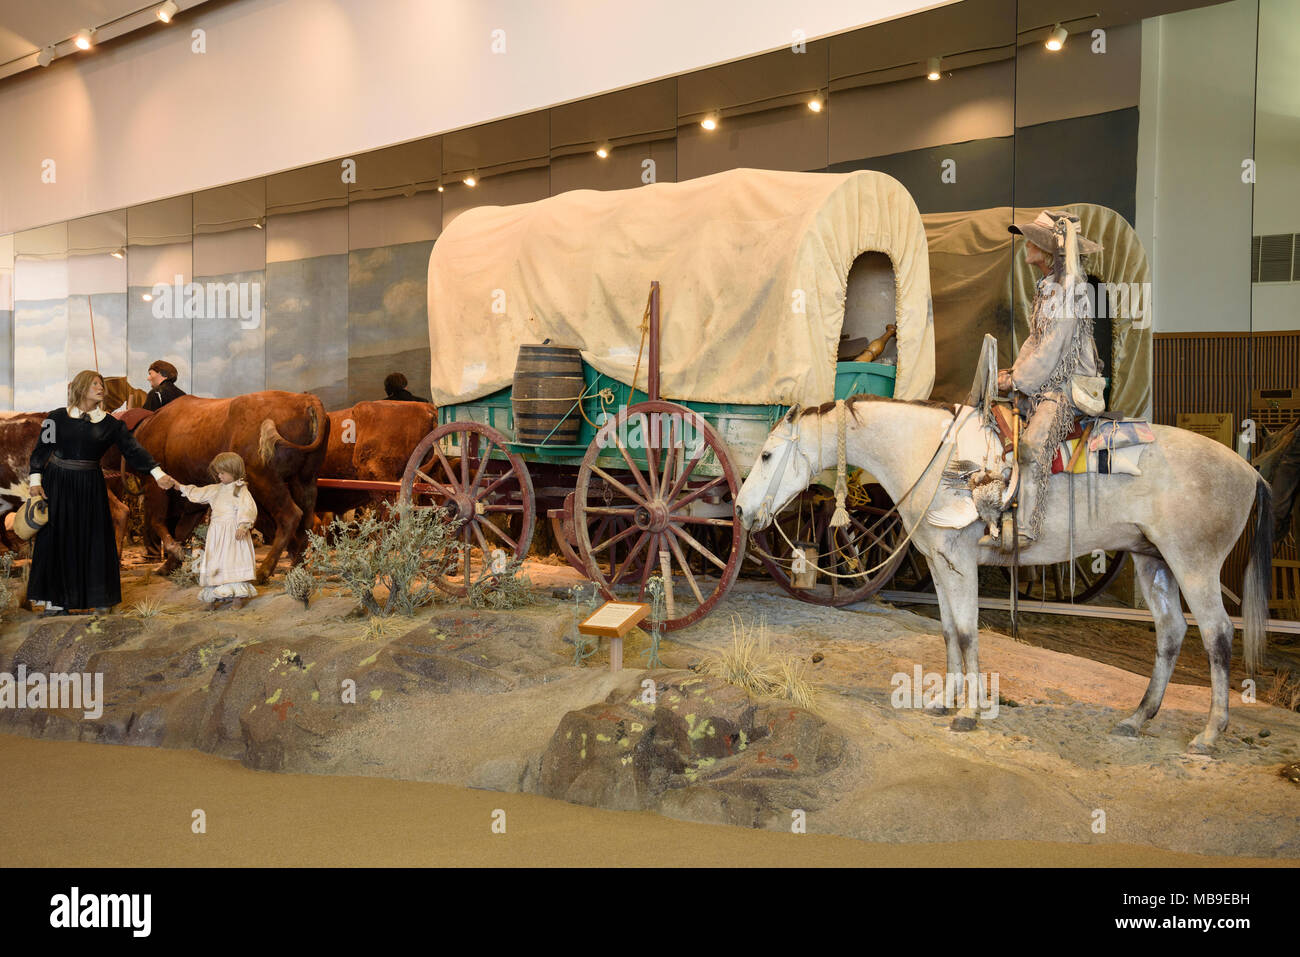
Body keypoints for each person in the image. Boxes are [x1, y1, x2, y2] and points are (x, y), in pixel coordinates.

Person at [989, 210, 1106, 550]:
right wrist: (1013, 373)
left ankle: (1026, 528)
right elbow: (1035, 341)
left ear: (1047, 250)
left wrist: (1018, 380)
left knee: (1031, 447)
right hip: (1047, 382)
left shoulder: (1069, 291)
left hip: (1066, 387)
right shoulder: (1048, 288)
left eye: (1033, 241)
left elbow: (1053, 347)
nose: (1027, 245)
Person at [28, 370, 178, 615]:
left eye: (101, 384)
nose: (101, 388)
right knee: (57, 538)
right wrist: (36, 479)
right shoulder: (55, 418)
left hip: (91, 485)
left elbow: (134, 451)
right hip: (58, 483)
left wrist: (158, 474)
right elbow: (41, 450)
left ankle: (99, 598)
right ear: (81, 387)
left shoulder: (111, 424)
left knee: (95, 538)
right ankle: (55, 602)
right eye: (95, 384)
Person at [176, 452, 258, 610]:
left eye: (222, 472)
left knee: (233, 559)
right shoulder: (216, 489)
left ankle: (237, 597)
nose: (219, 475)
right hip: (217, 533)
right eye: (218, 472)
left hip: (232, 533)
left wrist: (243, 524)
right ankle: (213, 596)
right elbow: (198, 493)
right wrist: (178, 486)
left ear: (233, 471)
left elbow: (248, 508)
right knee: (216, 561)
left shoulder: (240, 490)